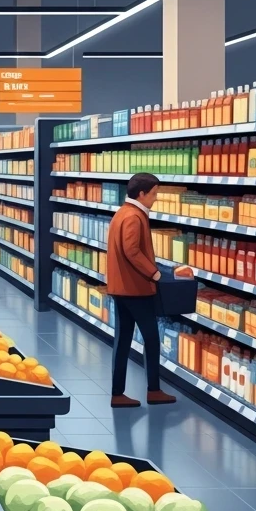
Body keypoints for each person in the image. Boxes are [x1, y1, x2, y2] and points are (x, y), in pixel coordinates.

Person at [107, 172, 179, 407]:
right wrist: (154, 273)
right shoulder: (134, 217)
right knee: (151, 338)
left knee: (123, 340)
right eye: (154, 193)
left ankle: (118, 393)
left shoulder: (122, 213)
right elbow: (132, 251)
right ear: (142, 194)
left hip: (121, 287)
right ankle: (154, 390)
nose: (156, 198)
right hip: (135, 288)